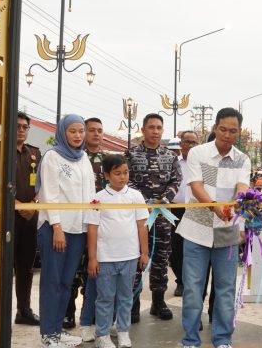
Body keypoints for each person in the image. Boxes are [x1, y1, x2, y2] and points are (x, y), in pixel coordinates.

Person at [176, 107, 251, 348]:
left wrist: (240, 202)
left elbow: (242, 187)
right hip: (196, 230)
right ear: (215, 128)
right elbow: (196, 187)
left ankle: (222, 339)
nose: (227, 135)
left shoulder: (242, 159)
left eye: (233, 131)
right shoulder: (198, 153)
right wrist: (215, 206)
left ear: (239, 133)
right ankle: (190, 340)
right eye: (223, 129)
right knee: (192, 291)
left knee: (226, 292)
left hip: (226, 233)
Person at [37, 114, 96, 348]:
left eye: (81, 131)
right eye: (73, 131)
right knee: (51, 281)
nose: (78, 136)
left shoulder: (84, 159)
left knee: (65, 282)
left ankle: (57, 330)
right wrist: (57, 227)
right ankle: (47, 334)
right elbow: (49, 195)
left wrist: (90, 227)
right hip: (55, 229)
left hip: (78, 230)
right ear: (63, 132)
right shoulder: (52, 156)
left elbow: (91, 197)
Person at [85, 154, 150, 348]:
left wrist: (144, 253)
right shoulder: (98, 199)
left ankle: (123, 331)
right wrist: (92, 258)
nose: (123, 177)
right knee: (105, 297)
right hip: (105, 258)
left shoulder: (135, 196)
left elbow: (142, 225)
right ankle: (102, 335)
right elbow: (92, 229)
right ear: (106, 175)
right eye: (118, 173)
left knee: (126, 297)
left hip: (130, 257)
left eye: (126, 172)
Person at [125, 114, 182, 322]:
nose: (155, 131)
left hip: (163, 216)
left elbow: (176, 180)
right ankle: (134, 302)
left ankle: (158, 302)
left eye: (159, 127)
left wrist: (164, 200)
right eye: (151, 127)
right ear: (143, 129)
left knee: (161, 258)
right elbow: (126, 180)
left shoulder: (170, 156)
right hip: (139, 217)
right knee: (138, 255)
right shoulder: (130, 154)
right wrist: (144, 203)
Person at [75, 117, 107, 341]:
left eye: (99, 130)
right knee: (77, 269)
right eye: (92, 130)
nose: (96, 134)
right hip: (76, 221)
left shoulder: (109, 159)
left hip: (101, 223)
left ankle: (97, 318)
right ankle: (70, 314)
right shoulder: (74, 156)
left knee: (96, 271)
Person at [14, 112, 42, 326]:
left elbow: (44, 182)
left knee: (26, 266)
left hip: (30, 218)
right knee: (3, 267)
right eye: (17, 126)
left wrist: (33, 205)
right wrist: (15, 205)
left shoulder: (34, 153)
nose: (21, 130)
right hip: (6, 217)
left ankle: (24, 310)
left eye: (25, 127)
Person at [170, 130, 199, 297]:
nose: (191, 145)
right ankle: (180, 281)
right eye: (187, 141)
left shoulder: (202, 163)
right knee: (176, 248)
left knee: (194, 248)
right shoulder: (174, 162)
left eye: (194, 142)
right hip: (176, 209)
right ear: (180, 144)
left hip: (197, 209)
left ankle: (193, 281)